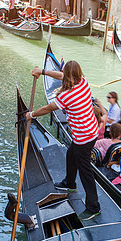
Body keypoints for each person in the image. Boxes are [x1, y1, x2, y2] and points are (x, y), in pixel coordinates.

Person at [26, 61, 101, 221]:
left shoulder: (67, 96)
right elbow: (62, 76)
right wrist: (43, 71)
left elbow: (47, 109)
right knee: (70, 155)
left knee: (86, 172)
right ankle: (69, 183)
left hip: (83, 137)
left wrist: (31, 115)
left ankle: (93, 207)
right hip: (91, 131)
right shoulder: (83, 82)